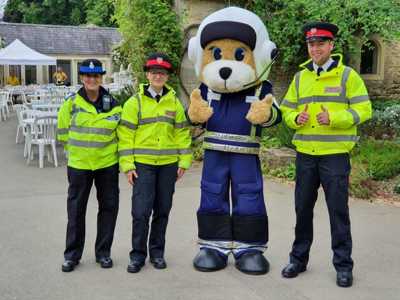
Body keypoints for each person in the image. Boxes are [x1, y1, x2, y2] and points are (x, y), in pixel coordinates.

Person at [280, 22, 372, 287]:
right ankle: (298, 260)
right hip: (306, 155)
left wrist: (334, 118)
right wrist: (297, 117)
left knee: (337, 212)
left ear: (331, 46)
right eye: (311, 44)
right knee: (302, 210)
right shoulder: (300, 78)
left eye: (321, 43)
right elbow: (286, 111)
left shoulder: (348, 76)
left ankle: (343, 266)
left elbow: (363, 110)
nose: (315, 48)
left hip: (335, 156)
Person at [118, 52, 192, 273]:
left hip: (168, 165)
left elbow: (182, 133)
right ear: (147, 75)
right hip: (143, 165)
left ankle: (157, 253)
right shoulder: (134, 103)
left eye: (163, 73)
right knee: (140, 212)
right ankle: (137, 255)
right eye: (154, 72)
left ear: (167, 76)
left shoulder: (175, 103)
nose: (158, 76)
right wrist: (128, 165)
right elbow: (125, 135)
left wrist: (184, 161)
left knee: (162, 210)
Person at [57, 59, 122, 272]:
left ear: (101, 78)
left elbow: (120, 134)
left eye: (96, 76)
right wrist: (77, 152)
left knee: (108, 209)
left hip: (107, 164)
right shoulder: (71, 103)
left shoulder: (114, 104)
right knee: (76, 211)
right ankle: (72, 256)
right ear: (82, 78)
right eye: (87, 75)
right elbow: (62, 133)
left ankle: (103, 253)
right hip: (79, 165)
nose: (92, 79)